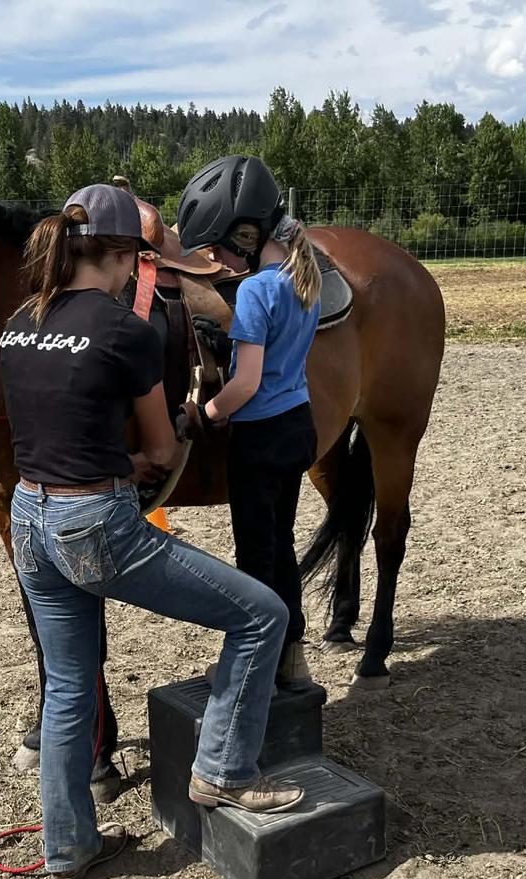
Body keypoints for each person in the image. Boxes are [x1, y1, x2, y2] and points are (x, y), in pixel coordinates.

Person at [0, 183, 304, 879]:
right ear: (126, 257)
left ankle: (67, 851)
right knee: (261, 615)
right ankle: (223, 771)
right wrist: (140, 457)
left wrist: (116, 458)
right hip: (95, 523)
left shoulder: (19, 322)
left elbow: (54, 422)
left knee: (69, 687)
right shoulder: (125, 331)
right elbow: (164, 451)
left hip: (29, 519)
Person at [175, 155, 324, 691]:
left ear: (246, 233)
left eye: (217, 248)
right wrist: (230, 345)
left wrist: (202, 415)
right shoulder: (302, 280)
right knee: (280, 543)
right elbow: (278, 354)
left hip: (259, 441)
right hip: (298, 426)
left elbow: (246, 385)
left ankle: (250, 668)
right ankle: (293, 657)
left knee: (255, 559)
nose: (214, 259)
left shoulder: (258, 289)